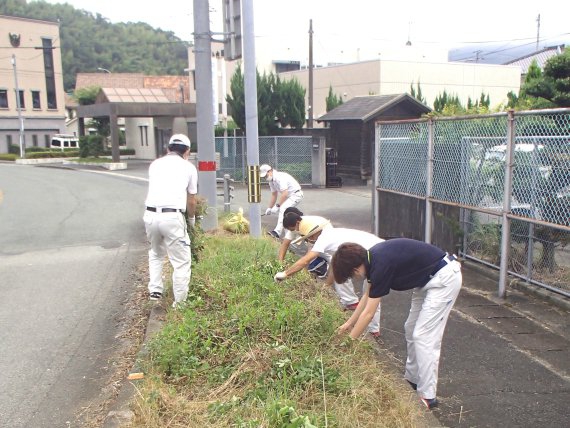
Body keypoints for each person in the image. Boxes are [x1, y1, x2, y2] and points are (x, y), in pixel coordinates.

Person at [332, 238, 462, 410]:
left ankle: (428, 396)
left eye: (351, 275)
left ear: (355, 268)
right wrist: (348, 324)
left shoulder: (380, 264)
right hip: (425, 282)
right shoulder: (372, 258)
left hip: (443, 279)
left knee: (423, 335)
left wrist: (349, 342)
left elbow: (369, 313)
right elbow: (366, 296)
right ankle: (413, 379)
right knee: (410, 328)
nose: (354, 277)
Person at [274, 217, 383, 336]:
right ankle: (370, 328)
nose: (309, 241)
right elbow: (334, 267)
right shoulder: (333, 236)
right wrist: (326, 285)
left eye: (309, 238)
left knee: (371, 294)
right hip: (375, 249)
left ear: (313, 235)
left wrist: (285, 274)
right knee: (369, 294)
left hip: (377, 255)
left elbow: (305, 261)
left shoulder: (323, 239)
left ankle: (371, 331)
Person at [143, 133, 198, 308]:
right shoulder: (188, 167)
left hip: (150, 215)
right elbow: (191, 199)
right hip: (173, 217)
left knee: (156, 253)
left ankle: (155, 291)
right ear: (187, 151)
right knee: (181, 262)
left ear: (168, 148)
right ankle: (180, 304)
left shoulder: (155, 164)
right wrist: (191, 220)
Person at [260, 164, 303, 239]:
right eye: (264, 177)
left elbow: (285, 193)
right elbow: (274, 194)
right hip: (290, 196)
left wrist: (277, 206)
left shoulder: (279, 177)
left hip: (296, 194)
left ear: (270, 171)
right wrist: (269, 208)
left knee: (283, 208)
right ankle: (290, 236)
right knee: (286, 213)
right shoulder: (271, 181)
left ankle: (277, 232)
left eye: (266, 175)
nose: (265, 178)